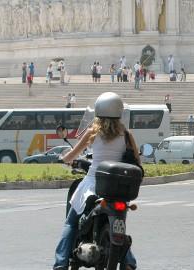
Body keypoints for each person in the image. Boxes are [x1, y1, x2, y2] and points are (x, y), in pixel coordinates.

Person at [53, 92, 138, 270]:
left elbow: (73, 154)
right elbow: (137, 161)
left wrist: (64, 158)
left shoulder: (93, 132)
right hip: (117, 186)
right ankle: (129, 263)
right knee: (119, 227)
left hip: (93, 183)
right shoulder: (127, 134)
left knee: (71, 222)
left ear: (98, 110)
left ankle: (60, 264)